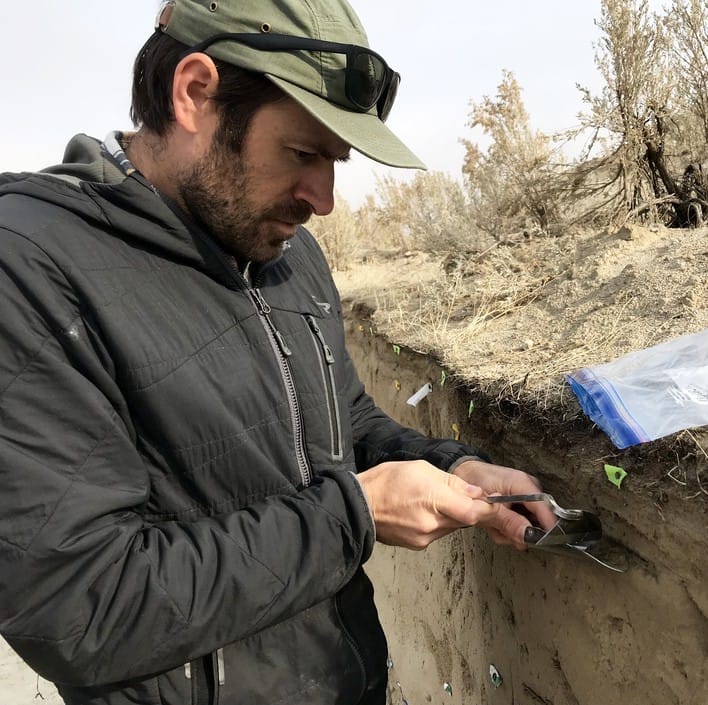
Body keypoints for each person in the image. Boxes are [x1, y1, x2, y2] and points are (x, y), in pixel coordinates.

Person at [0, 1, 555, 704]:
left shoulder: (290, 254)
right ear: (195, 93)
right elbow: (82, 607)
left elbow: (340, 425)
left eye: (335, 161)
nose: (322, 198)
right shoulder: (32, 266)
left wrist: (457, 468)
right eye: (303, 153)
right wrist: (353, 514)